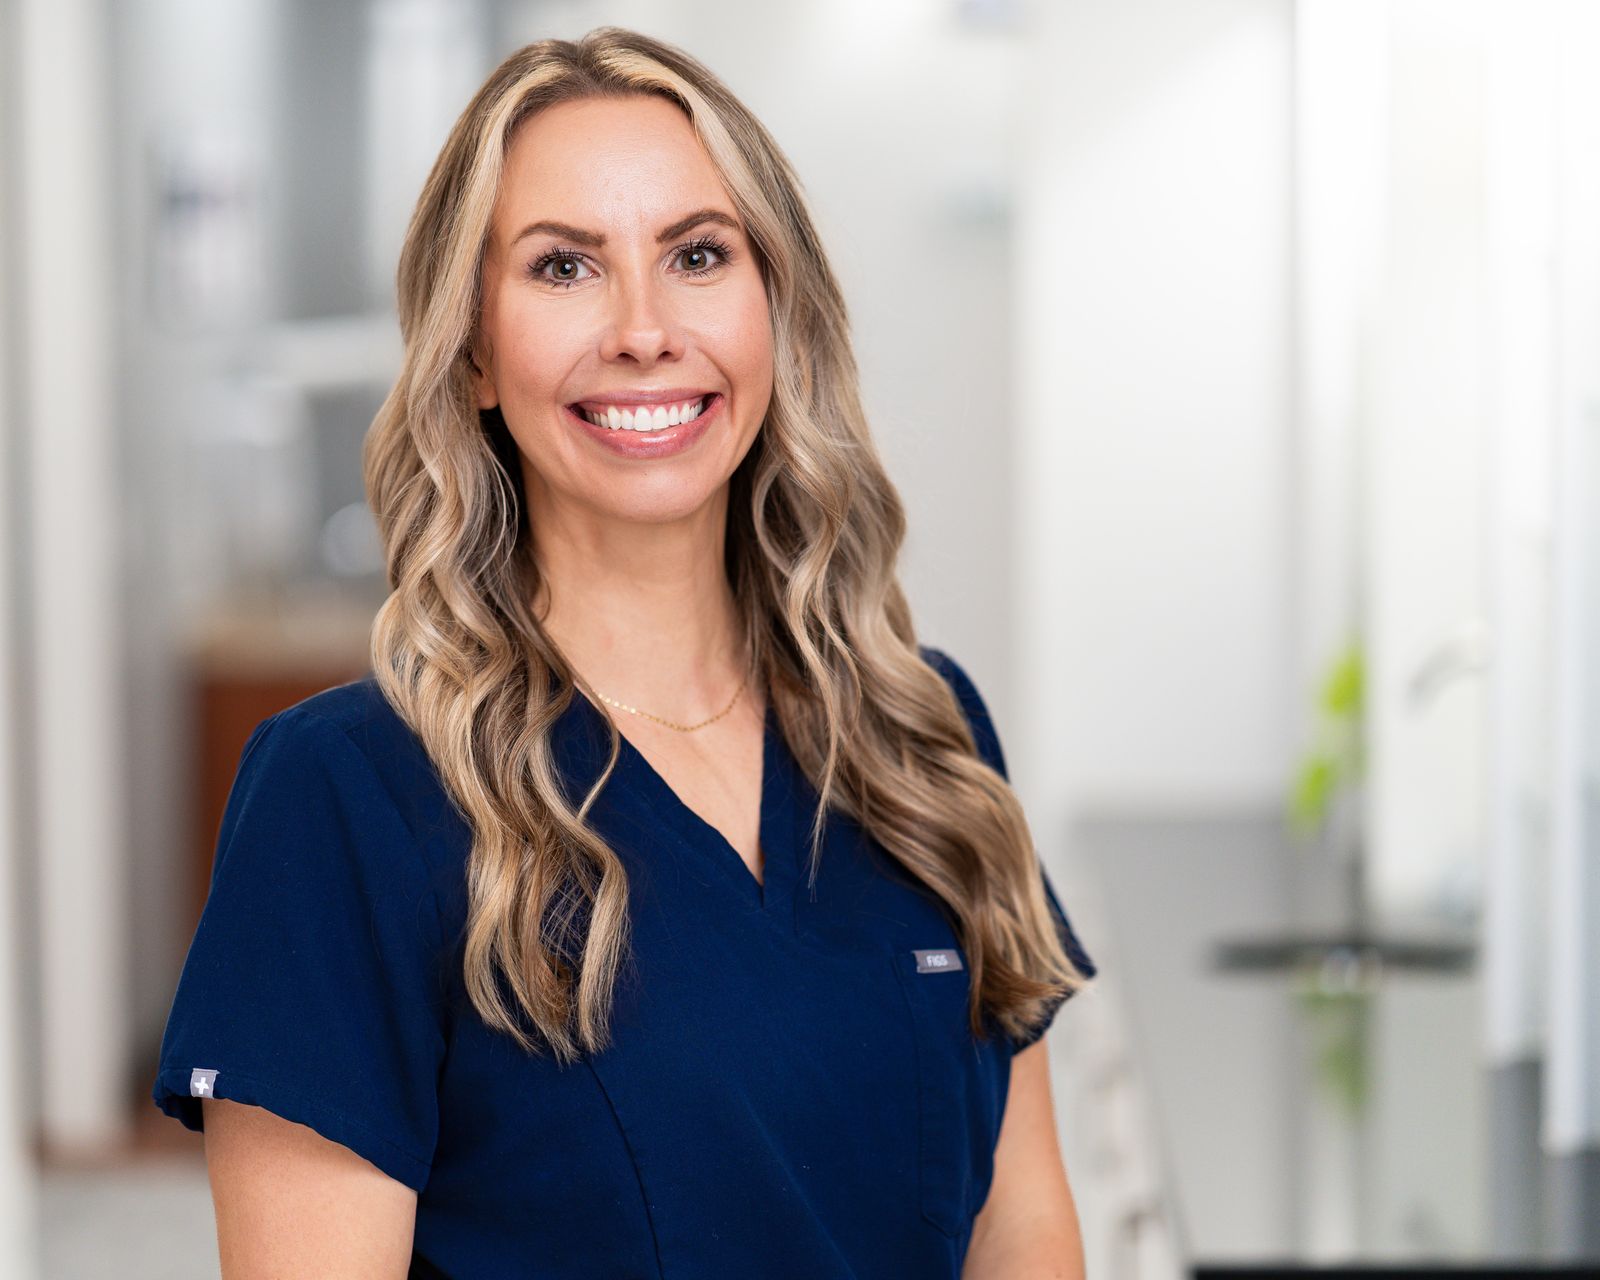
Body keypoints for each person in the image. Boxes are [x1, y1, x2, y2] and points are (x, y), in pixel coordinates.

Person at [151, 25, 1098, 1279]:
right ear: (476, 351)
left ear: (775, 308)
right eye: (564, 268)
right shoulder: (350, 801)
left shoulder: (921, 736)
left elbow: (1023, 1230)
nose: (645, 328)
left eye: (699, 255)